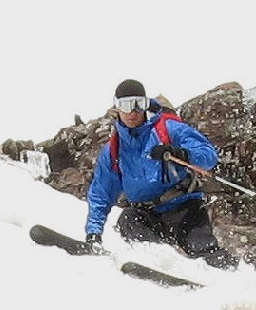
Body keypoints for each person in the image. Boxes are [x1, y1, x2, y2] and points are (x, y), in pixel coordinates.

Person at [84, 79, 237, 269]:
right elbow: (101, 192)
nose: (132, 112)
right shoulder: (114, 149)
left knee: (205, 251)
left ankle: (235, 278)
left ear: (146, 104)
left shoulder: (168, 128)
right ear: (116, 108)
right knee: (128, 220)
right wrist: (94, 232)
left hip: (184, 208)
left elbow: (209, 155)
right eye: (125, 105)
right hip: (146, 216)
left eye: (138, 104)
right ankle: (157, 267)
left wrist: (180, 153)